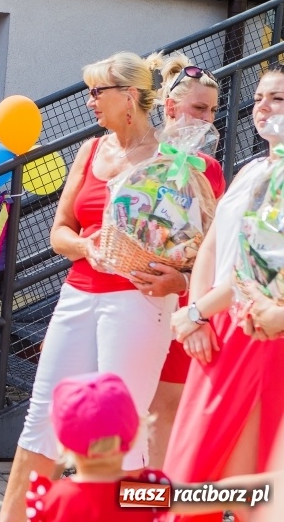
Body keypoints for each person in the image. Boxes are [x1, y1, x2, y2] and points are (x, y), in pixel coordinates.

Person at [0, 52, 180, 522]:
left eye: (97, 91)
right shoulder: (91, 150)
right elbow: (59, 231)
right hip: (77, 294)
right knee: (42, 419)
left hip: (139, 300)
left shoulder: (172, 157)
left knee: (125, 430)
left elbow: (193, 241)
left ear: (130, 96)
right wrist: (84, 246)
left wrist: (179, 277)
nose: (89, 101)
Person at [164, 66, 284, 522]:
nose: (263, 107)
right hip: (220, 325)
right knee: (194, 461)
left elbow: (257, 267)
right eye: (258, 98)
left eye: (277, 99)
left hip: (261, 327)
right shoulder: (252, 169)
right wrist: (199, 319)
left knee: (245, 474)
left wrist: (196, 311)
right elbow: (212, 247)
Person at [23, 372, 275, 522]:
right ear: (133, 437)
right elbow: (217, 495)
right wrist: (272, 484)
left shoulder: (52, 500)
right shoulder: (138, 494)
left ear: (63, 444)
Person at [143, 54, 226, 468]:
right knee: (127, 406)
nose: (207, 118)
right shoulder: (140, 154)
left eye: (212, 110)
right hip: (133, 292)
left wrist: (187, 285)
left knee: (167, 407)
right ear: (171, 108)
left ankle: (153, 497)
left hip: (180, 298)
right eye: (199, 108)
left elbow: (214, 243)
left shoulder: (208, 168)